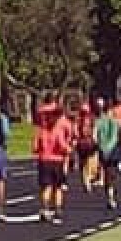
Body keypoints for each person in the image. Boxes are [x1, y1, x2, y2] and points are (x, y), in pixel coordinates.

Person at [34, 94, 71, 222]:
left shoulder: (42, 131)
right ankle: (58, 209)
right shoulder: (58, 129)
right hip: (57, 160)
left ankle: (44, 208)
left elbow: (35, 147)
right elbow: (62, 145)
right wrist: (68, 150)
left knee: (46, 186)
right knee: (58, 186)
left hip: (44, 160)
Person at [92, 97, 121, 212]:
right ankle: (111, 195)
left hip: (103, 150)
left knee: (106, 173)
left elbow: (94, 137)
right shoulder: (117, 121)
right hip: (113, 150)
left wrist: (100, 145)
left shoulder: (98, 121)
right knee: (112, 174)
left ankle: (109, 196)